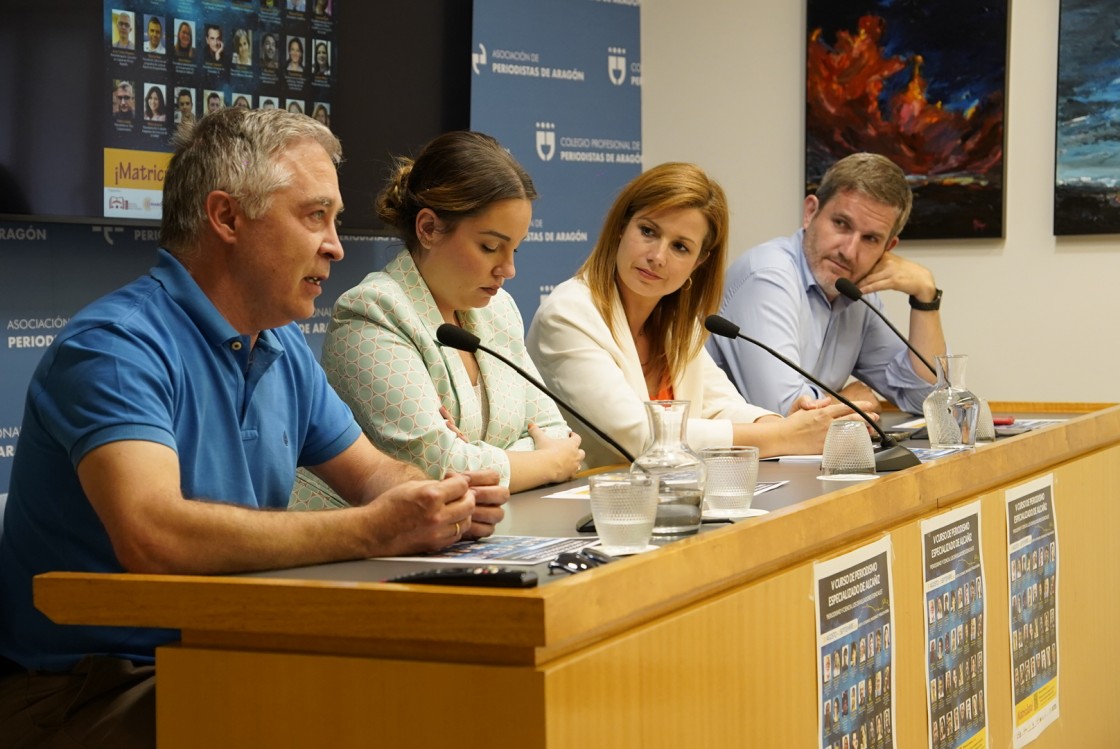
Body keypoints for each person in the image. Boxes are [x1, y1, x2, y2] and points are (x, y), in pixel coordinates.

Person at [0, 107, 506, 747]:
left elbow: (373, 472)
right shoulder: (116, 347)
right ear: (226, 218)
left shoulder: (282, 344)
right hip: (87, 689)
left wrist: (436, 501)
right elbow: (154, 537)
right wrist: (372, 528)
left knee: (434, 696)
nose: (336, 244)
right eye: (314, 215)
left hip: (223, 651)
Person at [291, 131, 582, 509]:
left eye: (514, 249)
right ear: (428, 228)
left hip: (479, 534)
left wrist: (474, 453)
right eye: (490, 247)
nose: (508, 269)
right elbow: (437, 469)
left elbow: (555, 431)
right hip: (355, 551)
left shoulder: (499, 309)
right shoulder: (372, 312)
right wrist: (545, 464)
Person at [526, 162, 858, 468]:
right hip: (589, 514)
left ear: (698, 262)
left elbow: (722, 407)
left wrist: (783, 425)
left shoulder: (673, 326)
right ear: (621, 228)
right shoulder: (569, 313)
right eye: (648, 231)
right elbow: (639, 437)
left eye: (680, 247)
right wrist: (784, 436)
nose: (657, 256)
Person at [708, 152, 946, 416]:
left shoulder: (858, 297)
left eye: (870, 239)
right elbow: (785, 412)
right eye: (841, 224)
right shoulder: (768, 276)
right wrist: (849, 399)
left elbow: (930, 401)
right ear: (811, 212)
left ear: (887, 249)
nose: (849, 251)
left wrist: (926, 296)